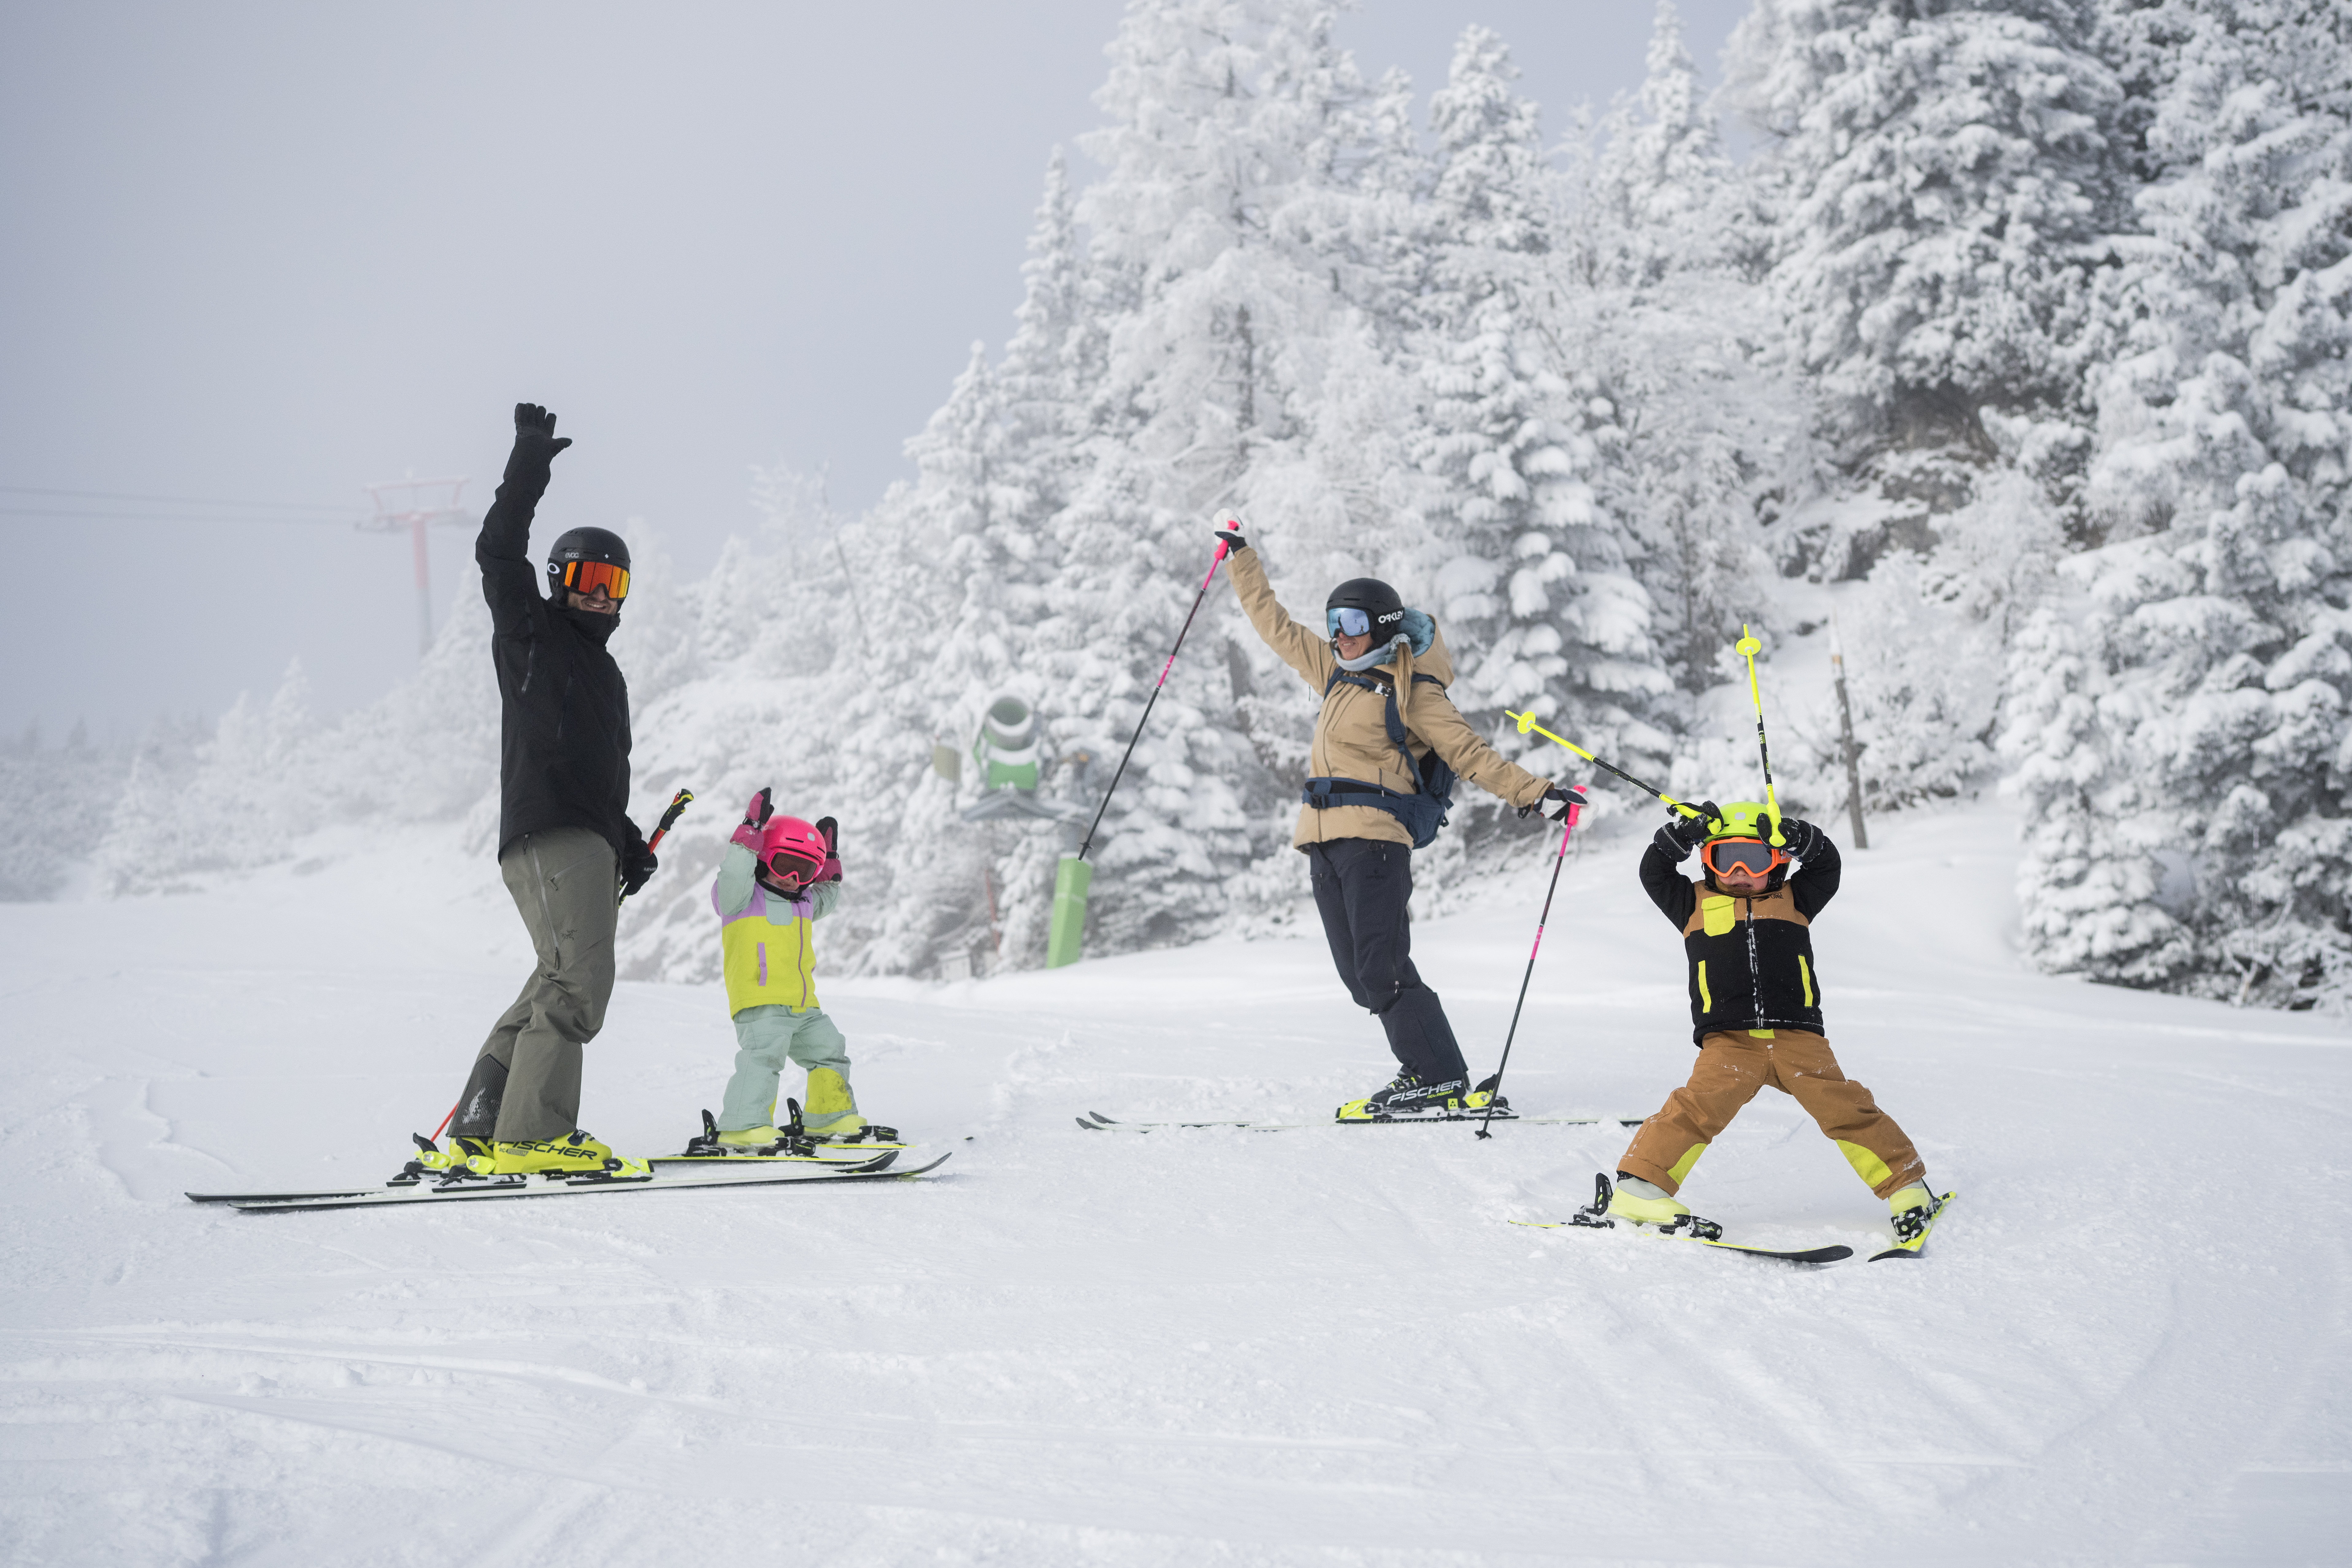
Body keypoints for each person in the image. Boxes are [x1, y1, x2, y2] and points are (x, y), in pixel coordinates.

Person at [1216, 515, 1582, 1119]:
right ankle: (1435, 1072)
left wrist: (1535, 794)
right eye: (1335, 624)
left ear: (1383, 627)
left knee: (1380, 967)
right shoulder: (1334, 673)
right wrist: (1242, 561)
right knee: (1360, 978)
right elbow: (1275, 626)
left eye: (1353, 624)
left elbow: (1469, 753)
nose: (1340, 635)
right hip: (1322, 838)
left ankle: (1436, 1076)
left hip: (1376, 839)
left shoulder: (1415, 689)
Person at [423, 403, 657, 1178]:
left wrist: (625, 842)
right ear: (560, 584)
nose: (600, 596)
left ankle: (486, 1124)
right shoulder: (532, 631)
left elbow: (590, 774)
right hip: (552, 834)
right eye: (587, 580)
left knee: (549, 980)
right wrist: (529, 464)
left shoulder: (605, 673)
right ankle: (536, 1135)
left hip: (566, 833)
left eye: (613, 583)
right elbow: (498, 551)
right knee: (581, 981)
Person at [1584, 800, 1940, 1239]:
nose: (1737, 870)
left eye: (1752, 859)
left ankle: (1906, 1184)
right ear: (1707, 861)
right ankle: (1640, 1187)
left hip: (1798, 1038)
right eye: (1723, 857)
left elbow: (1826, 865)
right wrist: (1681, 838)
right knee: (1695, 1109)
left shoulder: (1795, 899)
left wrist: (1801, 837)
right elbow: (1654, 873)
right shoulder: (1691, 903)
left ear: (1775, 862)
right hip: (1729, 1042)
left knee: (1847, 1108)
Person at [695, 788, 881, 1148]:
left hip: (803, 1003)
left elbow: (827, 896)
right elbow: (733, 879)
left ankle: (830, 1117)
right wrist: (748, 836)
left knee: (830, 1050)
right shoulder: (744, 899)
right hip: (760, 999)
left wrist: (831, 865)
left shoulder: (805, 900)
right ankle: (741, 1124)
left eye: (805, 870)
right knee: (764, 1058)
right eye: (785, 866)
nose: (793, 879)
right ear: (764, 858)